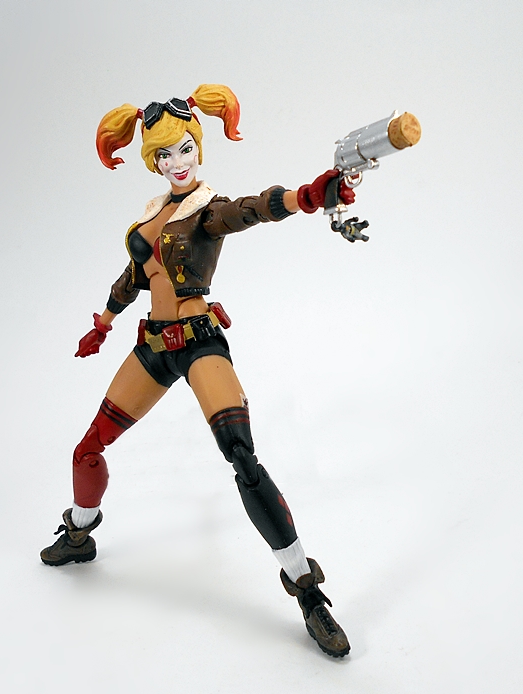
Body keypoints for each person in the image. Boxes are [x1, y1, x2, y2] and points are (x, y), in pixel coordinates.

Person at [40, 84, 355, 658]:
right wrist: (103, 323)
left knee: (242, 457)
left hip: (200, 342)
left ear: (198, 149)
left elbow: (251, 209)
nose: (177, 162)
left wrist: (308, 196)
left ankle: (307, 590)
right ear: (153, 162)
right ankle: (79, 534)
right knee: (88, 448)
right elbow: (132, 279)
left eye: (185, 149)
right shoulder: (149, 220)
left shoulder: (206, 212)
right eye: (164, 155)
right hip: (154, 347)